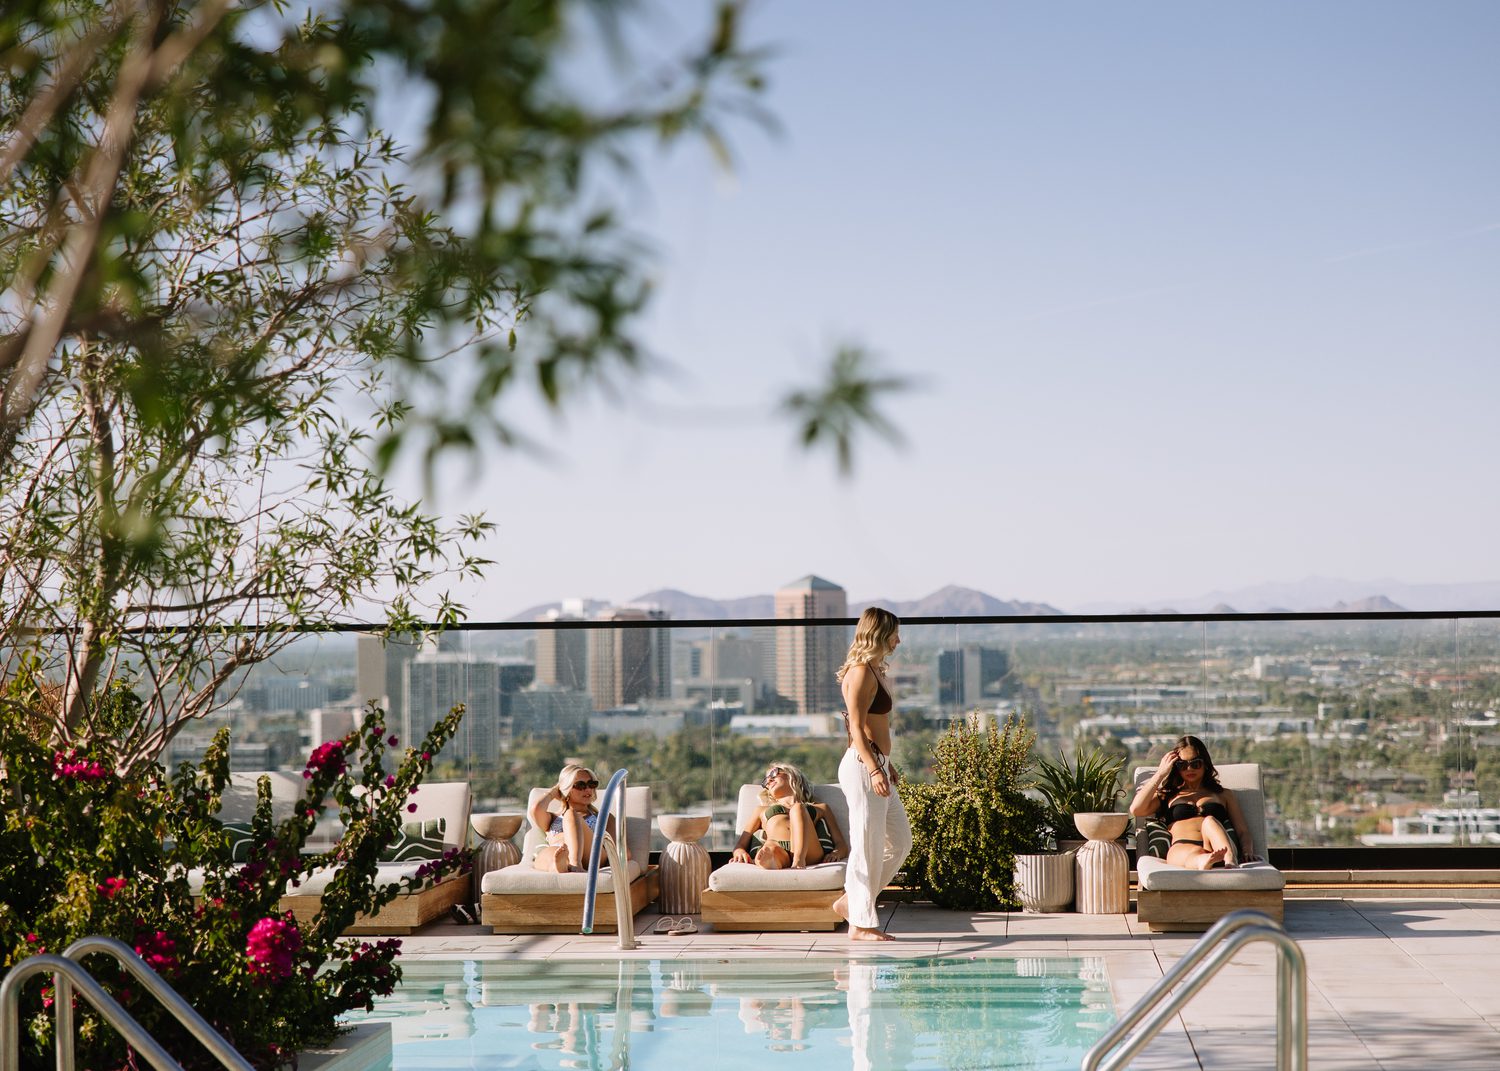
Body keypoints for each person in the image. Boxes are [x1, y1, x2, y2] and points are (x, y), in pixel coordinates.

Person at [832, 606, 913, 941]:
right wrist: (874, 768)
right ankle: (862, 924)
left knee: (901, 842)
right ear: (879, 633)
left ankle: (852, 903)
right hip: (863, 766)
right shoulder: (862, 671)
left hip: (875, 763)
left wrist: (886, 765)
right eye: (894, 632)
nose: (898, 639)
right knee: (867, 845)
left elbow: (871, 726)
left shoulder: (875, 670)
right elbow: (854, 726)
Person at [1129, 735, 1259, 869]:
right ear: (1175, 767)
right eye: (1182, 765)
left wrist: (1247, 851)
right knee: (1192, 854)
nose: (1189, 769)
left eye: (1195, 763)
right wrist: (1160, 773)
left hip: (1217, 847)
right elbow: (1136, 809)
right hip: (1182, 847)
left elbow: (1243, 831)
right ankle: (1204, 860)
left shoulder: (1223, 794)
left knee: (1209, 821)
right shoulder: (1167, 794)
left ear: (1205, 764)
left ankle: (1229, 859)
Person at [729, 762, 849, 869]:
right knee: (769, 847)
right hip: (778, 848)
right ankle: (771, 860)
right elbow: (740, 844)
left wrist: (836, 853)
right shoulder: (761, 810)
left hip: (809, 852)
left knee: (798, 808)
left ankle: (798, 860)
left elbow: (841, 844)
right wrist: (739, 852)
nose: (769, 781)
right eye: (766, 781)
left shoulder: (821, 808)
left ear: (792, 775)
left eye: (773, 774)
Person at [531, 763, 615, 873]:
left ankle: (575, 864)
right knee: (546, 854)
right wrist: (553, 792)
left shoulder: (604, 817)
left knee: (571, 814)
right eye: (580, 785)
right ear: (567, 788)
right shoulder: (552, 818)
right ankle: (557, 866)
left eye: (591, 784)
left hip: (592, 856)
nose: (588, 789)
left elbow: (620, 851)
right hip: (560, 851)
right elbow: (536, 809)